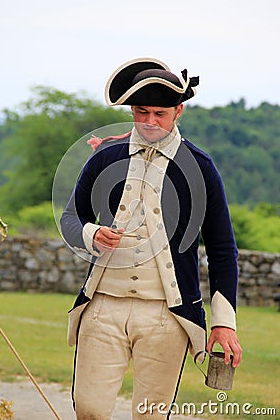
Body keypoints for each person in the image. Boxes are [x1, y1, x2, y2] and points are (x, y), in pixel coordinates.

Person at [60, 57, 242, 420]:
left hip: (167, 314)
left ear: (179, 111)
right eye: (141, 112)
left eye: (160, 113)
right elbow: (70, 218)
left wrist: (224, 323)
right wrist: (91, 232)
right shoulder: (105, 157)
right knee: (90, 410)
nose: (149, 122)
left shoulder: (201, 167)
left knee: (150, 415)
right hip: (103, 306)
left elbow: (222, 249)